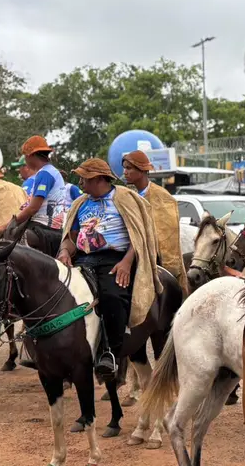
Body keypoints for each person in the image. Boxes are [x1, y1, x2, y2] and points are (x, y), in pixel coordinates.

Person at [57, 158, 162, 378]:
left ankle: (110, 353)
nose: (80, 183)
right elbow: (70, 238)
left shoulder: (124, 198)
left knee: (112, 296)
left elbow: (139, 236)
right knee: (57, 293)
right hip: (83, 259)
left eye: (84, 178)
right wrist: (65, 251)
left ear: (97, 179)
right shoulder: (81, 203)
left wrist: (126, 262)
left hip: (115, 259)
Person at [122, 150, 189, 296]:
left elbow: (165, 238)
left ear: (142, 171)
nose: (125, 172)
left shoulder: (163, 198)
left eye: (129, 168)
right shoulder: (126, 195)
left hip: (153, 259)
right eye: (124, 168)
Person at [0, 136, 66, 256]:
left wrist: (7, 225)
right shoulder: (47, 172)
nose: (25, 160)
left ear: (31, 155)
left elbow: (33, 208)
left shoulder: (45, 174)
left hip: (44, 228)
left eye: (25, 156)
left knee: (7, 242)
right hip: (42, 226)